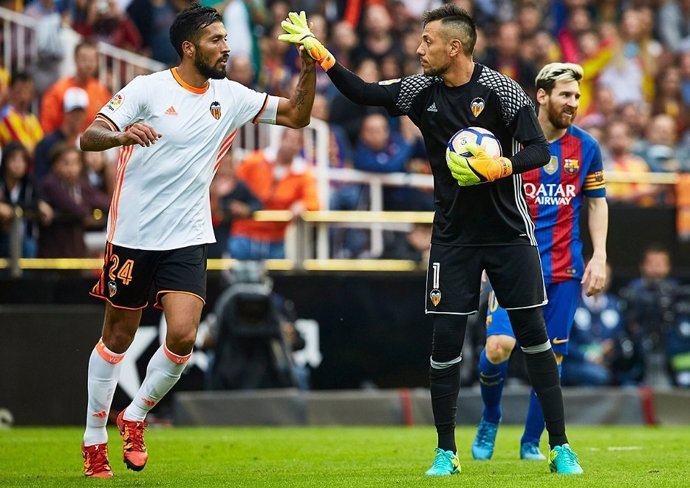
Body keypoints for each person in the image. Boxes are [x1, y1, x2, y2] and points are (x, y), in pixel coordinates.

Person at [279, 5, 582, 476]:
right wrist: (319, 52)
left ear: (454, 46)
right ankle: (447, 452)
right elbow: (360, 92)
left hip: (508, 235)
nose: (419, 49)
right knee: (445, 344)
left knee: (534, 340)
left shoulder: (502, 91)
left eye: (427, 41)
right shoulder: (421, 91)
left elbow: (541, 150)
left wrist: (503, 166)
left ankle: (560, 447)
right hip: (453, 237)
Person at [78, 3, 316, 478]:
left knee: (183, 337)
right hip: (133, 234)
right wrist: (121, 134)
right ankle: (93, 438)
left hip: (187, 235)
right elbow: (90, 136)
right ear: (189, 48)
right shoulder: (148, 88)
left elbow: (296, 116)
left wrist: (308, 67)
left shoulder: (230, 96)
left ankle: (136, 415)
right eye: (216, 40)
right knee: (117, 337)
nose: (226, 47)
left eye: (227, 39)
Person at [470, 62, 607, 464]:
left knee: (551, 360)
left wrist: (599, 256)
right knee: (499, 347)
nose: (574, 103)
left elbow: (597, 204)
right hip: (513, 264)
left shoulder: (587, 148)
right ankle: (491, 415)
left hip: (564, 271)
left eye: (577, 97)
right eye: (566, 95)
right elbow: (487, 201)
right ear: (541, 96)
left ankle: (531, 441)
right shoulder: (512, 143)